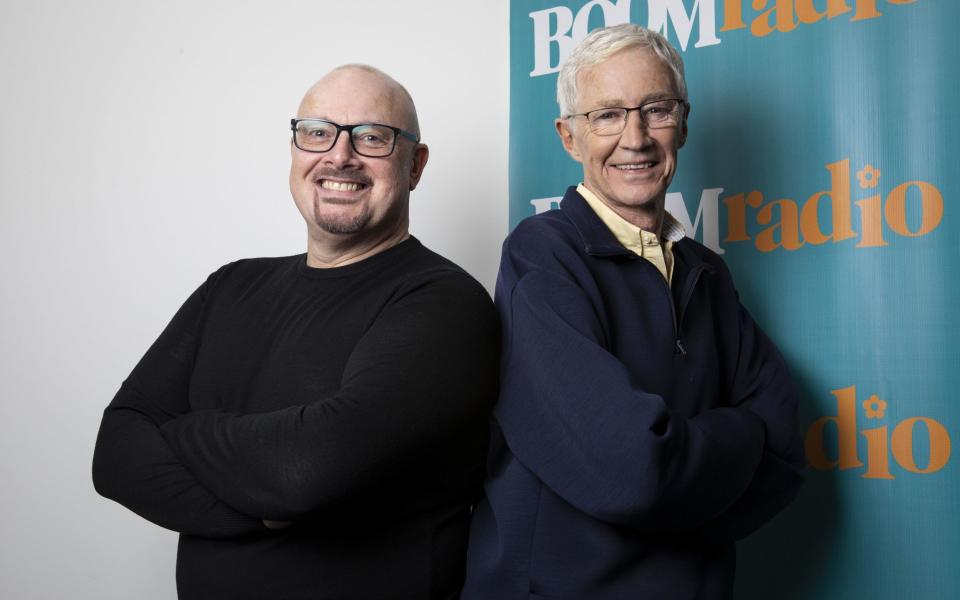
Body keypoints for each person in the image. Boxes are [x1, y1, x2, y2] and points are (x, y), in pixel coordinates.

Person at [93, 64, 499, 600]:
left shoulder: (445, 303)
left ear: (415, 165)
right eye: (317, 132)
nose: (339, 156)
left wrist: (183, 431)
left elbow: (307, 471)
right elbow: (115, 455)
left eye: (372, 138)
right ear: (295, 149)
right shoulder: (230, 287)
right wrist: (263, 512)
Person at [462, 24, 804, 599]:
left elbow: (786, 452)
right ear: (569, 136)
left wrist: (675, 475)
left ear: (684, 124)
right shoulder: (542, 255)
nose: (636, 137)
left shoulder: (706, 271)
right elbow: (632, 469)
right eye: (607, 115)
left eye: (656, 109)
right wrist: (738, 434)